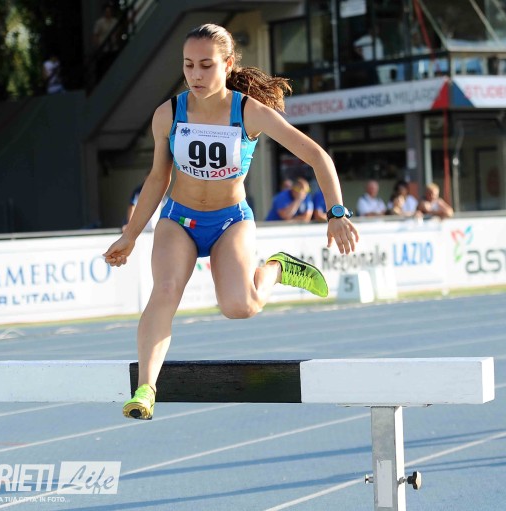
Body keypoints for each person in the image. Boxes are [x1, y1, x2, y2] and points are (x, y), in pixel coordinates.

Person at [103, 23, 359, 420]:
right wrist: (131, 235)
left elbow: (317, 156)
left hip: (230, 222)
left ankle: (277, 268)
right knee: (165, 291)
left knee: (240, 307)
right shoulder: (168, 114)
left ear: (227, 64)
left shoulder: (249, 112)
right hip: (178, 220)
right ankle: (146, 389)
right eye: (188, 65)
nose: (195, 74)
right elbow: (157, 179)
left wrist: (336, 211)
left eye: (206, 65)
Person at [92, 4, 120, 78]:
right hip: (104, 48)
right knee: (104, 66)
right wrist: (98, 46)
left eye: (109, 11)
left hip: (113, 47)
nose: (108, 13)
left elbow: (118, 32)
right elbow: (96, 35)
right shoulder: (99, 22)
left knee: (113, 65)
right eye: (106, 12)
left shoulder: (114, 21)